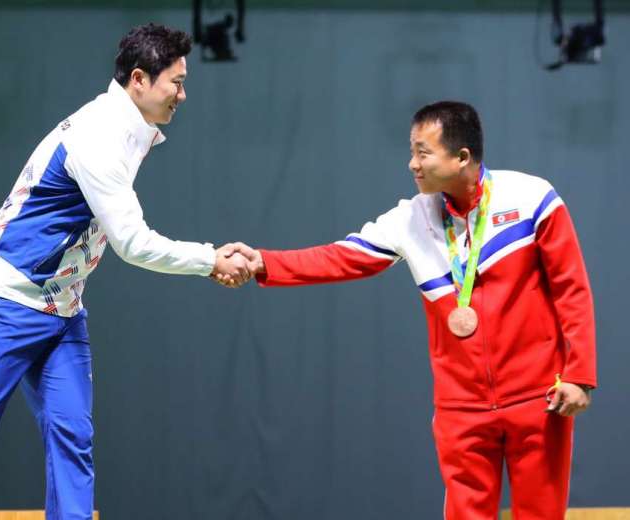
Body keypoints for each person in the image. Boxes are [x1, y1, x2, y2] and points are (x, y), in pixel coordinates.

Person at [0, 23, 251, 520]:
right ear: (140, 80)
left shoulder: (133, 130)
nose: (183, 95)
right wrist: (210, 259)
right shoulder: (98, 136)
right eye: (177, 82)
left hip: (62, 310)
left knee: (73, 436)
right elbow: (132, 243)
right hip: (3, 304)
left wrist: (210, 258)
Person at [221, 101, 597, 519]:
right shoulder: (410, 219)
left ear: (462, 157)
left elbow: (572, 289)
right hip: (461, 408)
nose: (412, 164)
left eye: (422, 152)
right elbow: (340, 257)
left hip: (538, 398)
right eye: (412, 151)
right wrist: (264, 262)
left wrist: (579, 375)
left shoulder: (532, 198)